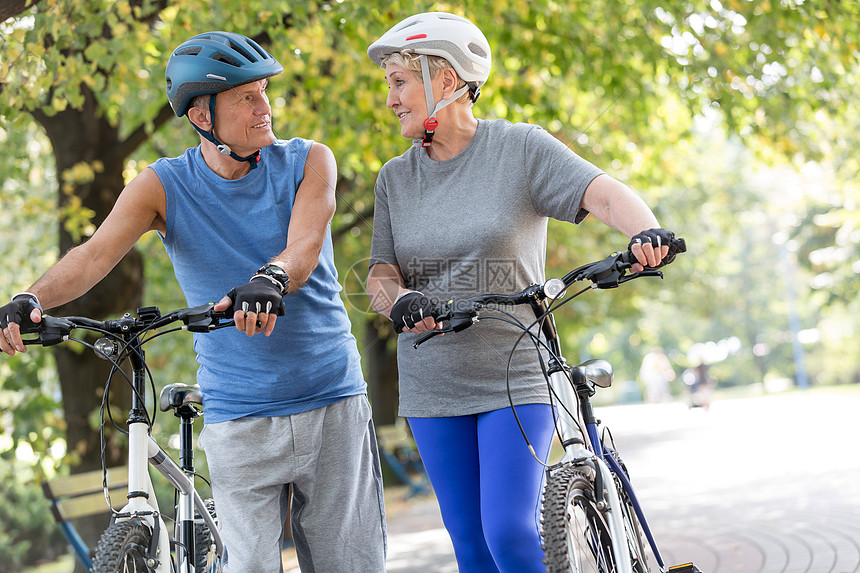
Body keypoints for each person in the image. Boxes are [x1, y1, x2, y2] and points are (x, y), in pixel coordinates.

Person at [0, 31, 386, 573]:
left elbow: (304, 244)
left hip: (331, 399)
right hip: (239, 414)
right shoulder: (163, 185)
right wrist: (28, 297)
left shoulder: (309, 161)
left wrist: (270, 278)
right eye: (245, 98)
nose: (265, 108)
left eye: (263, 92)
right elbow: (91, 257)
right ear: (202, 117)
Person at [365, 12, 677, 573]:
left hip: (514, 369)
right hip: (433, 383)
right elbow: (381, 273)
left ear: (447, 78)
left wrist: (643, 231)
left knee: (508, 533)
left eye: (399, 81)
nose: (390, 98)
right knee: (473, 550)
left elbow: (602, 194)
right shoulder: (396, 177)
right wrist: (399, 301)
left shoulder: (520, 150)